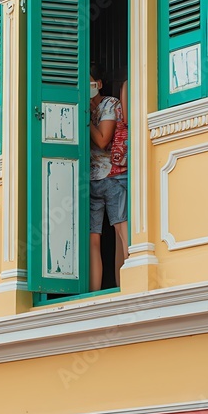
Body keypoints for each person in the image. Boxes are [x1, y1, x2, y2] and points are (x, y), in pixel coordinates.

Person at [88, 64, 128, 291]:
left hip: (113, 176)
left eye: (90, 81)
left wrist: (85, 120)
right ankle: (92, 293)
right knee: (93, 238)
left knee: (120, 233)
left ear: (99, 84)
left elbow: (103, 139)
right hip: (92, 180)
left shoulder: (109, 104)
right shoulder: (87, 108)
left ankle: (125, 286)